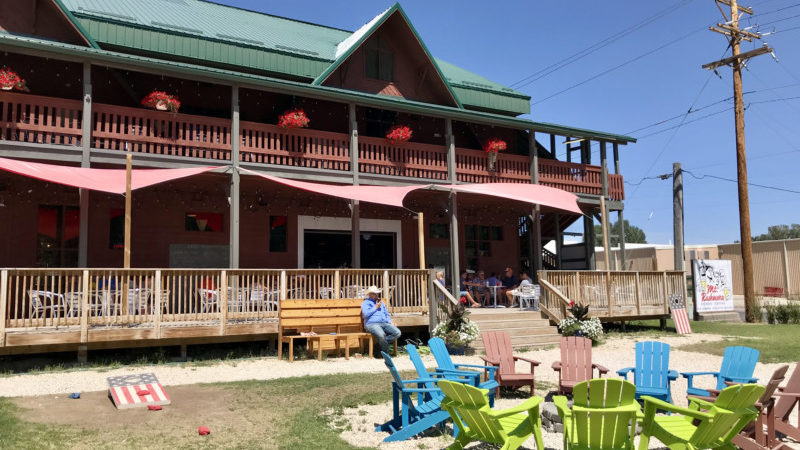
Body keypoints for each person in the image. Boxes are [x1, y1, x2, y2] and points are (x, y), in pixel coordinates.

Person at [361, 285, 401, 356]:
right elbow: (365, 315)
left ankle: (378, 345)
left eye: (377, 293)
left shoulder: (381, 303)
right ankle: (385, 354)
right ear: (370, 294)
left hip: (384, 323)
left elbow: (386, 314)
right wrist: (375, 307)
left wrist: (390, 321)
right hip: (371, 324)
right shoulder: (366, 303)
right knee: (382, 335)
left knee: (397, 332)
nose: (376, 295)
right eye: (374, 293)